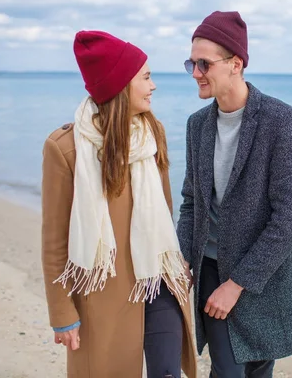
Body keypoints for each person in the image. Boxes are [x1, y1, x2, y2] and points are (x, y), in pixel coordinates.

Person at [41, 30, 196, 378]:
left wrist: (178, 259)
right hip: (104, 294)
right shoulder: (65, 148)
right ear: (121, 85)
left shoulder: (152, 133)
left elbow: (166, 208)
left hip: (159, 280)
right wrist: (62, 314)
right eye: (145, 77)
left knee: (168, 372)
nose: (153, 85)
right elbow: (54, 241)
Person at [177, 11, 292, 378]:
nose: (195, 72)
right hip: (210, 269)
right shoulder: (197, 126)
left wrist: (237, 285)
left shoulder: (281, 121)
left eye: (203, 63)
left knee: (257, 369)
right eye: (191, 62)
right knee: (228, 371)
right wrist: (182, 259)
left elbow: (288, 218)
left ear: (235, 64)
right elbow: (192, 202)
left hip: (263, 277)